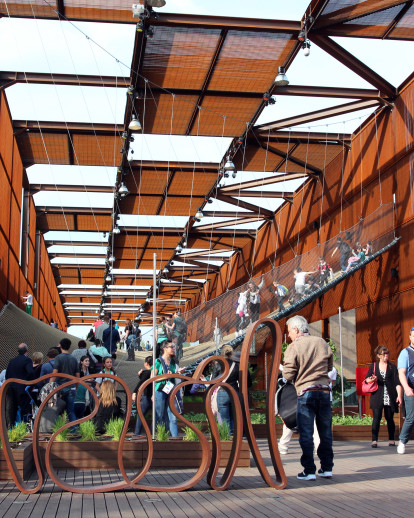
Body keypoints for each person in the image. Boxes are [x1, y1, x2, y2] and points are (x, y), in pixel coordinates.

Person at [283, 315, 334, 481]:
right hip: (325, 391)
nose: (289, 335)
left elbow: (288, 373)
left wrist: (292, 375)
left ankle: (309, 470)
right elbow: (330, 367)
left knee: (306, 433)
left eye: (289, 331)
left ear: (296, 330)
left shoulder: (293, 347)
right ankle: (326, 468)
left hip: (305, 392)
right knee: (325, 432)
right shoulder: (322, 342)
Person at [364, 345, 402, 448]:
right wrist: (371, 379)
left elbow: (397, 382)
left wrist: (399, 395)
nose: (386, 355)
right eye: (384, 354)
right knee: (376, 418)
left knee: (390, 418)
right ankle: (374, 440)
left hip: (390, 396)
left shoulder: (392, 367)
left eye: (387, 353)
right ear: (379, 355)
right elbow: (366, 379)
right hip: (377, 395)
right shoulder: (374, 366)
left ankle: (391, 439)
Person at [153, 341, 181, 437]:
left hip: (170, 388)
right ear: (165, 348)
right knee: (159, 414)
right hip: (160, 390)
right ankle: (158, 436)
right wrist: (165, 377)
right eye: (171, 347)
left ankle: (175, 439)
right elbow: (152, 378)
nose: (174, 348)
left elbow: (172, 375)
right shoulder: (158, 361)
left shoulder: (173, 362)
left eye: (174, 346)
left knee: (172, 416)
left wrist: (177, 373)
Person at [50, 338, 80, 426]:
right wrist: (76, 387)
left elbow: (54, 373)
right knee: (71, 410)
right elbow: (77, 376)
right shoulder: (74, 359)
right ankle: (74, 430)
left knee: (58, 410)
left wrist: (50, 386)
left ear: (60, 346)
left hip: (60, 387)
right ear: (70, 346)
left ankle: (60, 431)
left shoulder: (58, 358)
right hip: (72, 387)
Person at [5, 343, 35, 425]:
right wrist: (31, 385)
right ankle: (24, 427)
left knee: (12, 410)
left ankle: (12, 429)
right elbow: (31, 373)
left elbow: (7, 375)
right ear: (27, 351)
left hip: (11, 388)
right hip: (22, 389)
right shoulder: (27, 360)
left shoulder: (12, 361)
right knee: (24, 410)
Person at [397, 326, 414, 454]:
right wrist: (406, 388)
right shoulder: (405, 353)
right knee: (411, 418)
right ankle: (402, 441)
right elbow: (401, 373)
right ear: (410, 337)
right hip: (411, 389)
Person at [132, 356, 153, 435]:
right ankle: (152, 433)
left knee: (141, 415)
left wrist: (135, 392)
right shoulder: (153, 372)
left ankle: (137, 433)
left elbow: (141, 382)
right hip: (155, 396)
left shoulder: (146, 372)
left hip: (147, 396)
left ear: (146, 363)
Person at [74, 355, 94, 419]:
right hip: (82, 389)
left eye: (88, 361)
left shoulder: (90, 369)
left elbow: (93, 380)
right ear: (81, 362)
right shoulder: (78, 370)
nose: (88, 362)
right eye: (86, 361)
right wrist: (86, 380)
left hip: (89, 388)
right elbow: (78, 380)